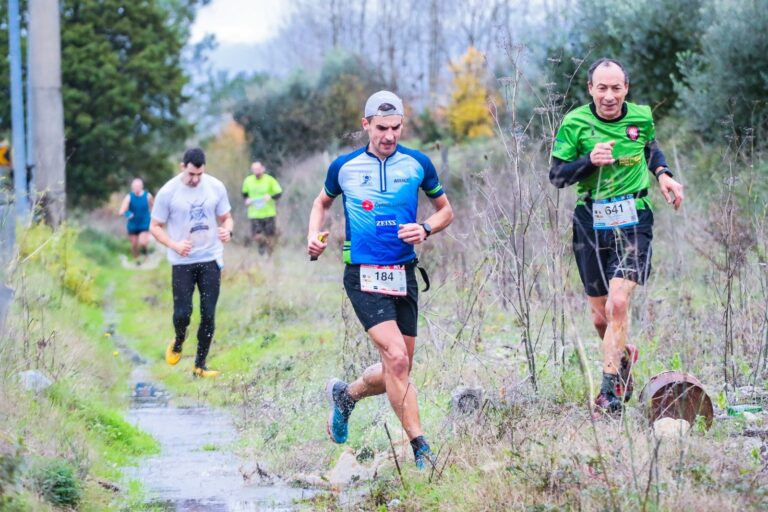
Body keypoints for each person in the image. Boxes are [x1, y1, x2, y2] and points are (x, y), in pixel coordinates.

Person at [307, 90, 454, 469]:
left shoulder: (418, 163)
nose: (389, 135)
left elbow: (445, 211)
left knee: (400, 367)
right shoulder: (344, 167)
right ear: (366, 125)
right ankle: (422, 449)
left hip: (403, 273)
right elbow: (321, 202)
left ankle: (346, 396)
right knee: (396, 358)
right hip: (362, 274)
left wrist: (425, 229)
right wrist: (314, 234)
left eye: (396, 127)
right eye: (381, 128)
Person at [549, 58, 684, 413]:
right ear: (590, 89)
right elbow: (557, 177)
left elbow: (651, 147)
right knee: (599, 317)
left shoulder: (640, 117)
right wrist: (589, 161)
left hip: (633, 218)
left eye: (616, 88)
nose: (609, 96)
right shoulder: (575, 123)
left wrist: (664, 174)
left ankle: (609, 393)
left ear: (626, 89)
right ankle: (624, 356)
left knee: (619, 303)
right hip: (590, 221)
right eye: (602, 88)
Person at [149, 148, 234, 378]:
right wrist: (174, 245)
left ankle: (199, 365)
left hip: (210, 258)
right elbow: (155, 226)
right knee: (183, 314)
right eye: (191, 174)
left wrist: (228, 230)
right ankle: (178, 340)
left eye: (200, 174)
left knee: (208, 314)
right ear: (182, 167)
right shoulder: (168, 192)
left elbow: (226, 217)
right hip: (182, 261)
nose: (195, 179)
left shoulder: (215, 186)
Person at [241, 161, 283, 255]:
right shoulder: (248, 180)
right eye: (254, 169)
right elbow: (244, 194)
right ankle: (262, 248)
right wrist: (247, 200)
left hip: (269, 214)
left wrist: (270, 197)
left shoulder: (270, 180)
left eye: (258, 169)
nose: (256, 171)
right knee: (257, 236)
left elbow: (279, 193)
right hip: (254, 214)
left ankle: (269, 257)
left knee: (270, 237)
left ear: (263, 169)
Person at [118, 178, 154, 260]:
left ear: (142, 186)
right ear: (132, 187)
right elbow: (121, 211)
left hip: (144, 223)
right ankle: (137, 260)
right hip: (133, 224)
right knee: (134, 245)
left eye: (138, 186)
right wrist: (128, 214)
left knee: (143, 242)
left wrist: (154, 218)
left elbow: (154, 207)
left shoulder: (148, 196)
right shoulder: (129, 197)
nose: (137, 188)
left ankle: (145, 253)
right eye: (135, 186)